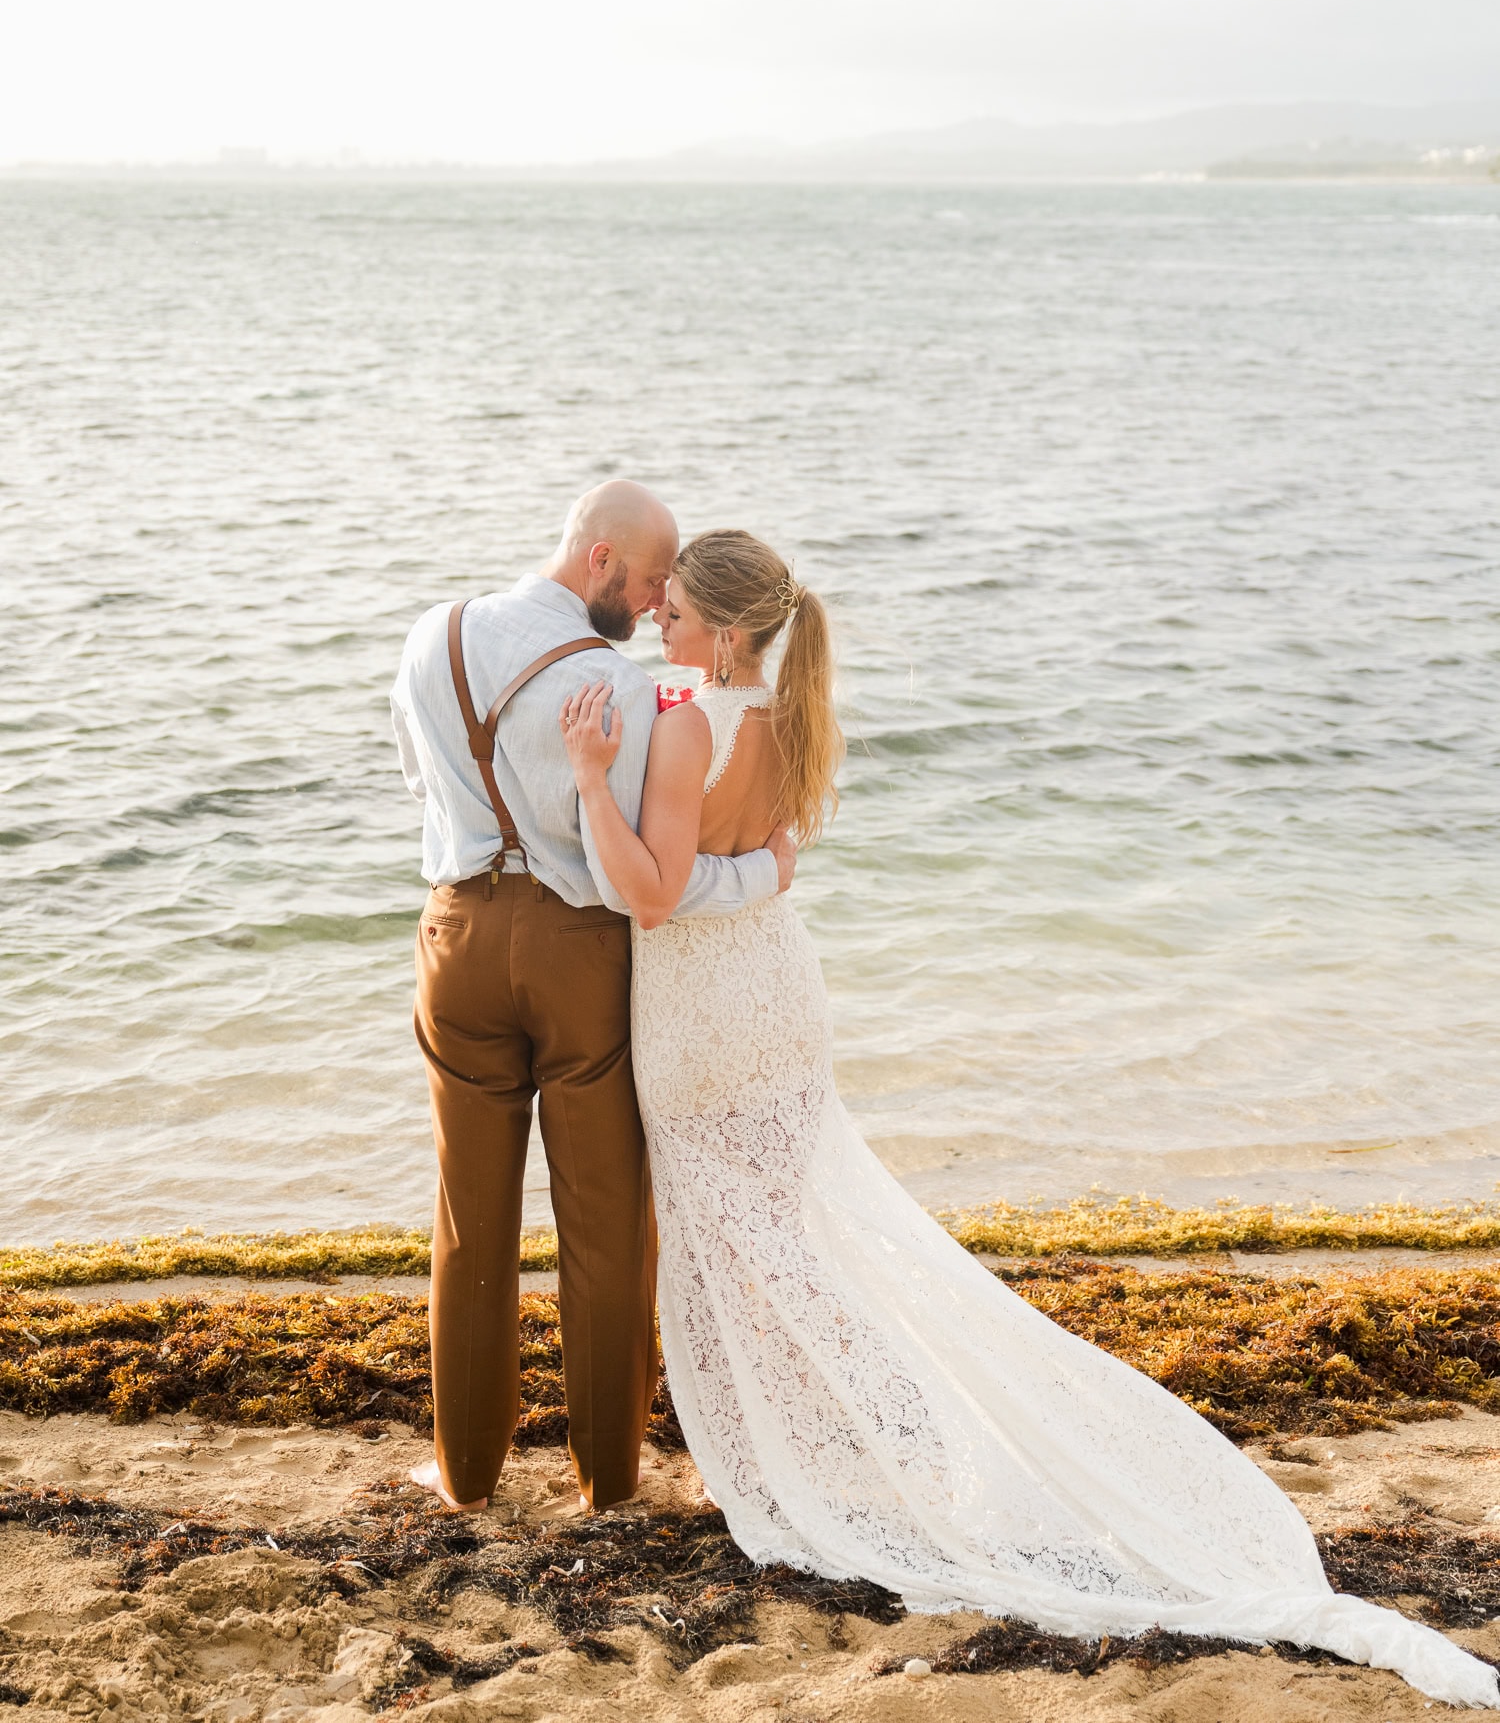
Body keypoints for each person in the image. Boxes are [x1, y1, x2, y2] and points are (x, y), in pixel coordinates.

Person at [560, 526, 1499, 1709]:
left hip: (700, 1018)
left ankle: (802, 1461)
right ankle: (885, 1438)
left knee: (727, 1253)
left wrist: (593, 777)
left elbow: (646, 896)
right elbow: (778, 860)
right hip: (781, 999)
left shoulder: (687, 721)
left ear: (729, 633)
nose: (662, 626)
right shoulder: (787, 713)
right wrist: (712, 846)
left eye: (681, 616)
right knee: (795, 1240)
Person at [390, 483, 795, 1518]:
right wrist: (761, 879)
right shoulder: (617, 689)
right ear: (604, 560)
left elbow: (424, 793)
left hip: (456, 938)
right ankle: (607, 1482)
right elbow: (639, 881)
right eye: (656, 577)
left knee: (468, 1223)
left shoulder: (428, 640)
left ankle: (464, 1476)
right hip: (576, 954)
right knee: (606, 1226)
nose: (663, 600)